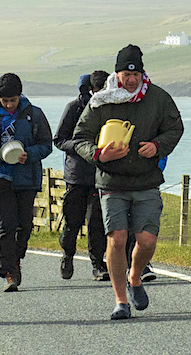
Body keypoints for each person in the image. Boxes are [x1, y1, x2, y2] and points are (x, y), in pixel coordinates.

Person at [73, 44, 184, 320]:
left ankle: (135, 276)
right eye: (125, 74)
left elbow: (175, 127)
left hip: (146, 180)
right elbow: (79, 137)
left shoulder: (158, 98)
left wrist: (158, 146)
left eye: (135, 74)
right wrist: (100, 154)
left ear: (142, 72)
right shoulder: (101, 100)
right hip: (112, 182)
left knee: (146, 241)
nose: (131, 80)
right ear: (117, 73)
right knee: (117, 238)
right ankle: (120, 300)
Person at [0, 72, 53, 291]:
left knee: (25, 226)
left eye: (13, 100)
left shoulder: (35, 114)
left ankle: (16, 259)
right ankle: (8, 271)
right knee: (7, 225)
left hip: (26, 178)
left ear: (20, 95)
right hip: (0, 178)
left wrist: (28, 154)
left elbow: (47, 145)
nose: (9, 105)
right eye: (5, 101)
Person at [53, 71, 110, 282]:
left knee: (97, 221)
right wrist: (81, 147)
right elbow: (59, 139)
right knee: (73, 221)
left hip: (100, 174)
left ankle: (98, 264)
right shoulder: (74, 108)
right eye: (100, 90)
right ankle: (67, 254)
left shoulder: (111, 109)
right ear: (89, 89)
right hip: (77, 175)